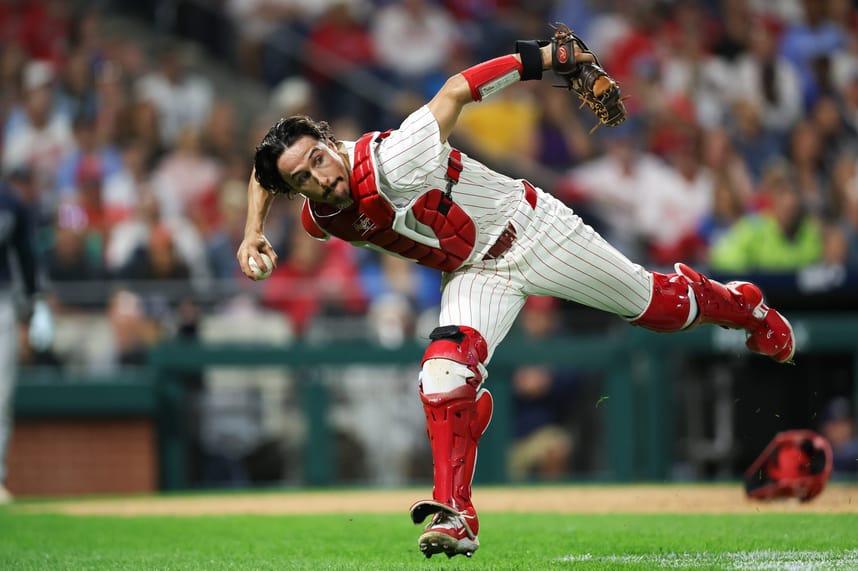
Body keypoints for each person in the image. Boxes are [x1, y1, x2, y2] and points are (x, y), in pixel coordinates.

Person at [237, 24, 796, 559]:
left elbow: (457, 89)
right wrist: (251, 232)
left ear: (332, 142)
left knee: (662, 311)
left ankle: (742, 305)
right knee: (443, 372)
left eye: (318, 158)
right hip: (475, 274)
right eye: (303, 179)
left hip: (530, 230)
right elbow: (265, 175)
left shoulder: (391, 159)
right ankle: (456, 514)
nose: (320, 177)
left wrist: (546, 59)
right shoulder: (318, 215)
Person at [0, 166, 53, 503]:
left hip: (2, 300)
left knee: (0, 394)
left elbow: (26, 259)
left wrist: (29, 308)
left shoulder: (10, 203)